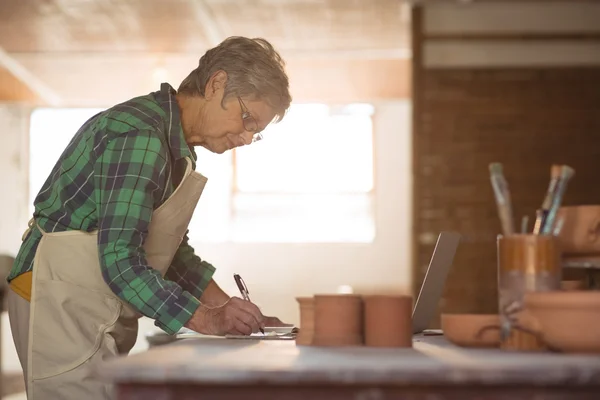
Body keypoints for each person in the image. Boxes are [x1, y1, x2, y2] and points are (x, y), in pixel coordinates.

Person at [6, 36, 292, 400]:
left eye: (257, 131)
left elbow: (171, 254)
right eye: (248, 119)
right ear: (216, 83)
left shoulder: (176, 147)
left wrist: (231, 313)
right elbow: (121, 262)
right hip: (56, 297)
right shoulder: (141, 136)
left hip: (87, 301)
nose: (248, 137)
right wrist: (205, 318)